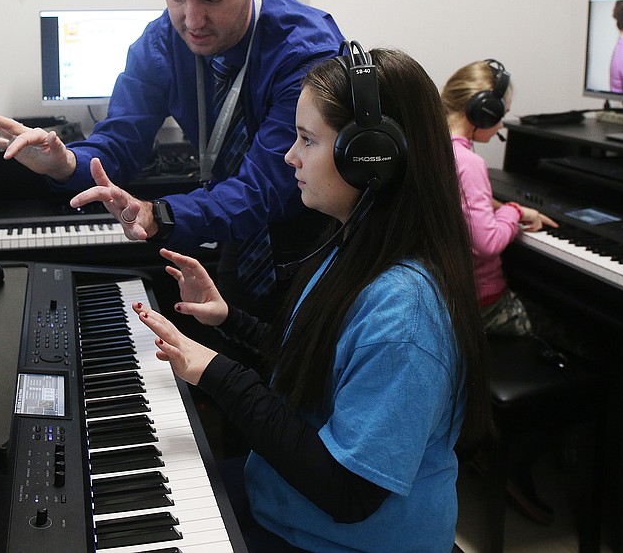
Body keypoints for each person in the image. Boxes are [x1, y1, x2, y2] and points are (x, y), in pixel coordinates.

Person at [133, 46, 493, 553]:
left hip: (342, 538)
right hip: (285, 502)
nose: (290, 157)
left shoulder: (405, 316)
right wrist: (229, 319)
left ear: (370, 156)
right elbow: (319, 364)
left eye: (307, 140)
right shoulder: (355, 244)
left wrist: (218, 373)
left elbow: (349, 494)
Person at [0, 0, 344, 315]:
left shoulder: (305, 52)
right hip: (239, 241)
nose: (191, 20)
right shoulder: (162, 42)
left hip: (314, 241)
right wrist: (63, 163)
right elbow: (117, 145)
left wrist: (159, 214)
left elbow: (266, 189)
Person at [441, 58, 563, 525]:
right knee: (570, 337)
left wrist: (493, 205)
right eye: (501, 113)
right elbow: (486, 240)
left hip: (450, 301)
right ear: (483, 110)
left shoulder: (432, 147)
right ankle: (514, 460)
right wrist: (514, 212)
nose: (502, 123)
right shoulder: (469, 160)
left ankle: (481, 440)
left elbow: (465, 207)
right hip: (484, 306)